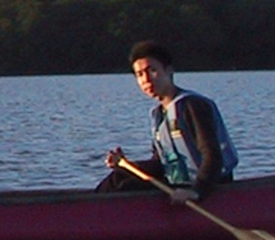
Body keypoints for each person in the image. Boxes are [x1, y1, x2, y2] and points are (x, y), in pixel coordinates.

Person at [97, 40, 236, 203]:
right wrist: (126, 165)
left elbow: (212, 155)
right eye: (140, 75)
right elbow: (160, 163)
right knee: (118, 178)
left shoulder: (192, 106)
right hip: (178, 183)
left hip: (207, 186)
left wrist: (196, 192)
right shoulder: (159, 114)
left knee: (122, 186)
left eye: (152, 70)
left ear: (169, 71)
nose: (146, 80)